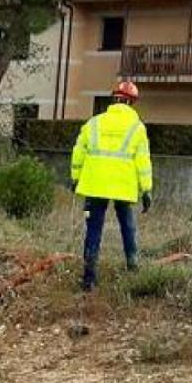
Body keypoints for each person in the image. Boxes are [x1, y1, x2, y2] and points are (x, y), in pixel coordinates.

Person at [71, 81, 153, 291]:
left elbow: (79, 151)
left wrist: (75, 177)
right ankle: (132, 266)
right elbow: (143, 161)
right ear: (132, 102)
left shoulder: (94, 123)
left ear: (114, 99)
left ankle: (89, 278)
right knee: (127, 225)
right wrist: (146, 189)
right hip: (122, 186)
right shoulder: (137, 128)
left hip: (94, 184)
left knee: (93, 229)